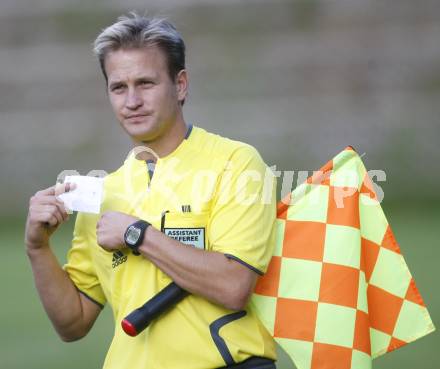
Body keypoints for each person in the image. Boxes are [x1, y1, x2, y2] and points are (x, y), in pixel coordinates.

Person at [25, 12, 277, 369]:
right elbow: (73, 323)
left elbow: (233, 285)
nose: (132, 101)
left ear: (181, 85)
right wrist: (37, 248)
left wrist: (136, 234)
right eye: (118, 87)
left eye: (146, 83)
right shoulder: (103, 191)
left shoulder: (236, 164)